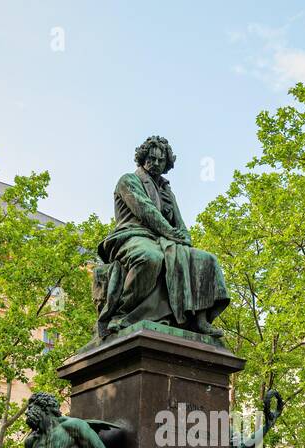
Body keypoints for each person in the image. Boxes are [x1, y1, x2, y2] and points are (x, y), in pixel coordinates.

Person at [94, 135, 229, 339]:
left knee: (206, 259)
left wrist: (184, 238)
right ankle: (122, 313)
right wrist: (171, 233)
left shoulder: (166, 190)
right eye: (151, 158)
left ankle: (200, 319)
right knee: (150, 258)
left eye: (161, 160)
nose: (156, 163)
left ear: (167, 163)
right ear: (142, 158)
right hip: (130, 236)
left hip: (164, 239)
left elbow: (180, 224)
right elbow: (146, 211)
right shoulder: (128, 180)